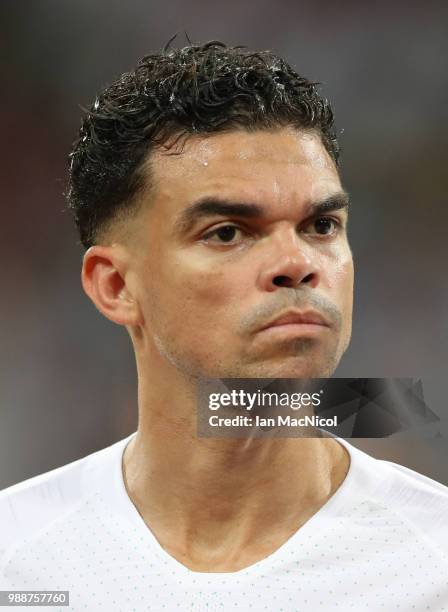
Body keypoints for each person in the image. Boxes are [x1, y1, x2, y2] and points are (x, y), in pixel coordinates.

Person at [1, 41, 447, 611]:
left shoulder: (434, 563)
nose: (298, 264)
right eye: (228, 232)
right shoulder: (16, 558)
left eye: (321, 224)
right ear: (116, 286)